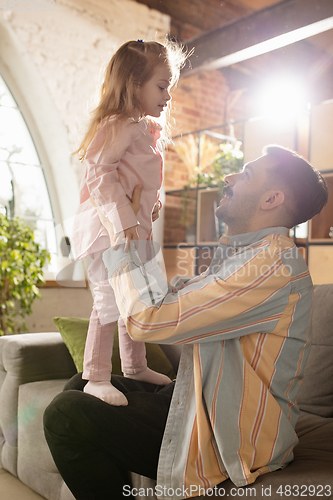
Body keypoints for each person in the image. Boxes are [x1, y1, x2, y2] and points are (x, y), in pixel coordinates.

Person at [44, 145, 328, 500]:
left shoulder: (273, 265)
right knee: (80, 383)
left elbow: (148, 320)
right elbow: (171, 299)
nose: (230, 177)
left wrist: (121, 232)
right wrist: (140, 230)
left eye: (246, 174)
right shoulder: (242, 255)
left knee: (66, 415)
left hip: (231, 435)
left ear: (271, 199)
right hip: (201, 398)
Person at [71, 39, 186, 406]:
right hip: (109, 232)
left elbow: (137, 178)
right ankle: (96, 376)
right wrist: (123, 222)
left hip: (131, 231)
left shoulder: (141, 129)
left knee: (132, 301)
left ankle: (134, 367)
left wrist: (151, 205)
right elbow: (98, 175)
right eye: (161, 85)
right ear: (134, 83)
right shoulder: (117, 125)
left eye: (169, 86)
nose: (167, 95)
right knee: (107, 302)